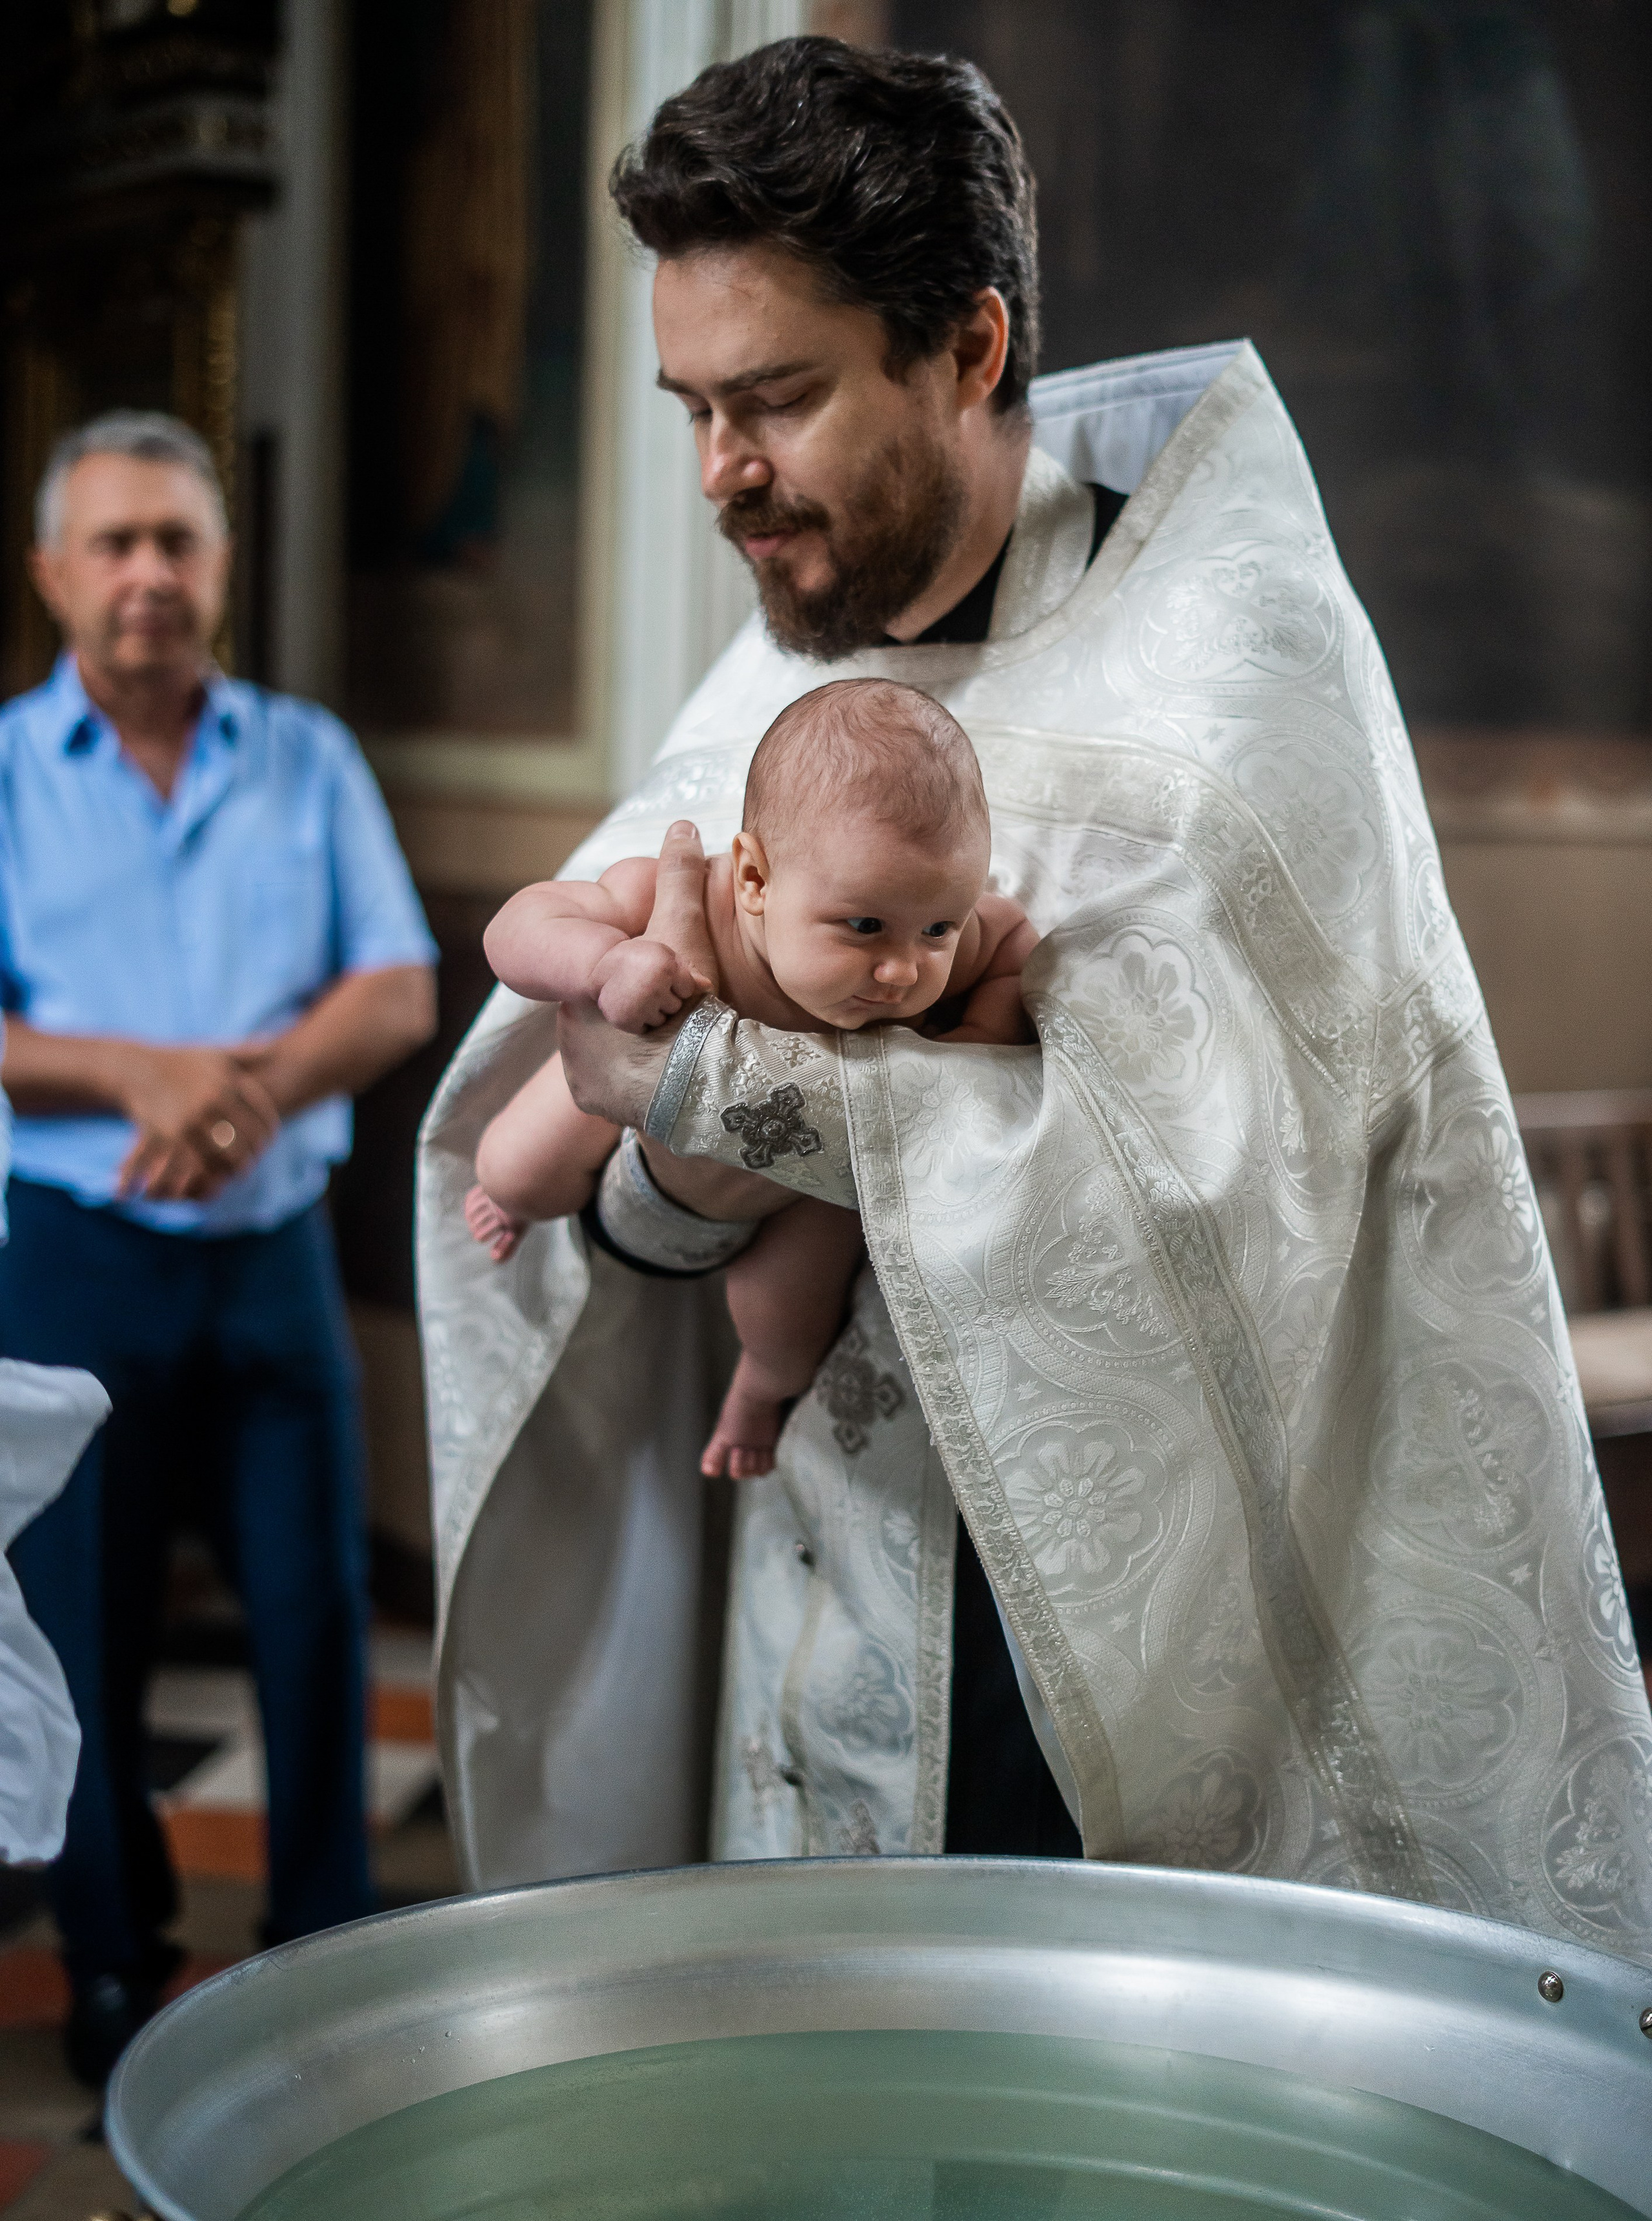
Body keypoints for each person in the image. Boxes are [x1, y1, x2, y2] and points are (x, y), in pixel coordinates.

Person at [417, 39, 1652, 1960]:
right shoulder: (762, 695)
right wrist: (659, 1153)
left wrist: (694, 1094)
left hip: (1126, 1668)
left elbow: (1237, 1199)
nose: (723, 476)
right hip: (820, 1612)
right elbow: (631, 1202)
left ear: (972, 348)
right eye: (690, 410)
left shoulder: (1226, 684)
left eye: (778, 400)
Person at [0, 411, 439, 2082]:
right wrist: (138, 1071)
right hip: (70, 1259)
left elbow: (393, 987)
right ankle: (114, 1959)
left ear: (221, 566)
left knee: (313, 1608)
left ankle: (320, 1959)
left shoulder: (307, 758)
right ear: (54, 572)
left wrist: (240, 1096)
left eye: (177, 540)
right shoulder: (4, 775)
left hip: (267, 1262)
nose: (147, 576)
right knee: (80, 1619)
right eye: (112, 543)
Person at [465, 681, 1038, 1477]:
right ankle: (510, 1200)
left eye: (938, 928)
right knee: (517, 1170)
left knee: (785, 1318)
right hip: (635, 1079)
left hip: (812, 1173)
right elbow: (515, 928)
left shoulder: (940, 935)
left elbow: (1010, 940)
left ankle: (760, 1394)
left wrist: (980, 1038)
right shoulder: (677, 898)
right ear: (755, 880)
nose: (904, 969)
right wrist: (605, 964)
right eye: (864, 926)